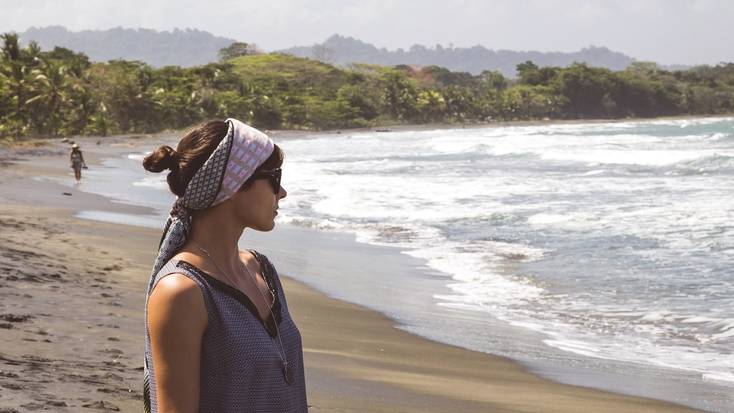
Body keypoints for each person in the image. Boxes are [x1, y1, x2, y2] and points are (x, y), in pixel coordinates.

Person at [141, 118, 307, 413]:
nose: (282, 193)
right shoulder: (181, 291)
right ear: (236, 184)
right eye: (275, 178)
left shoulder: (261, 269)